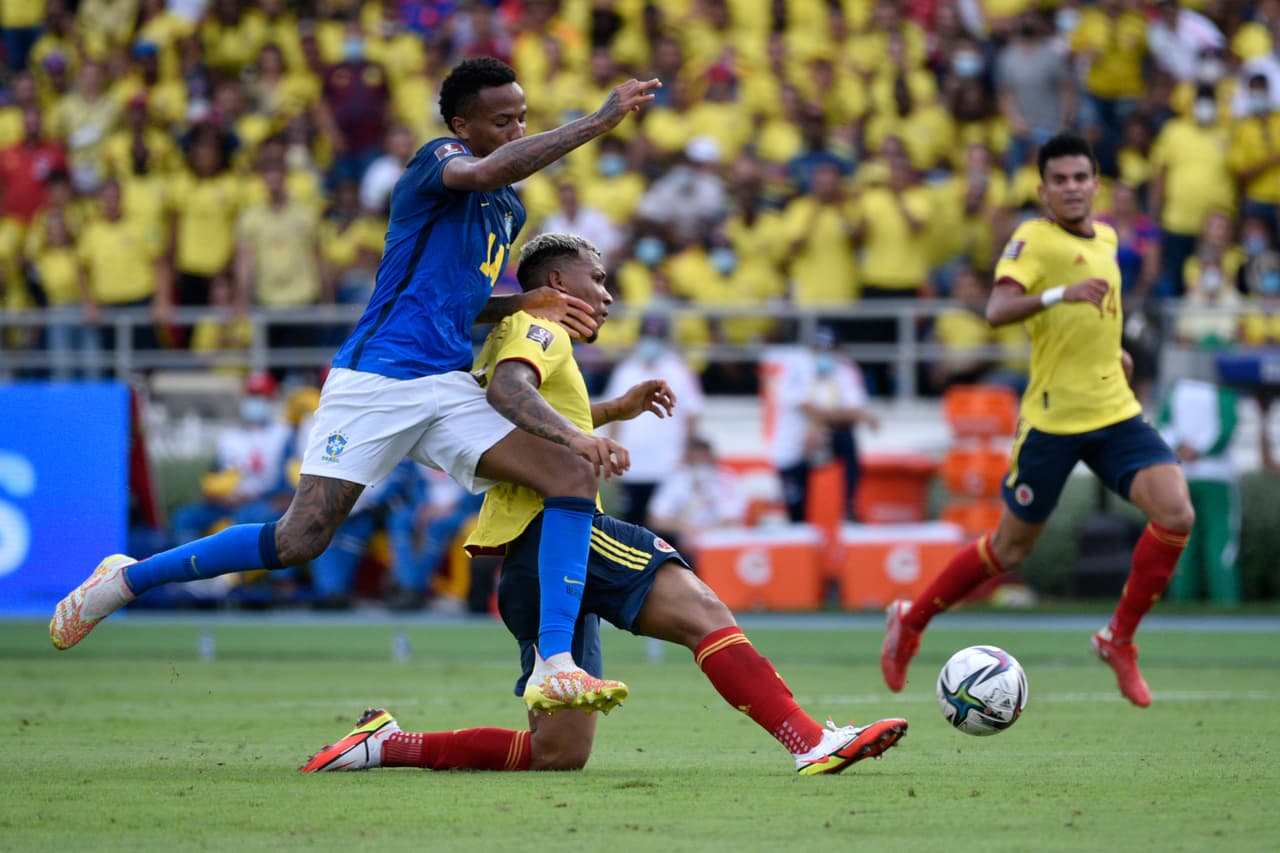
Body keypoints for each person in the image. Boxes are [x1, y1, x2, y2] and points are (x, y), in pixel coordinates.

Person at [50, 57, 662, 715]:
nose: (515, 128)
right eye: (502, 118)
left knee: (570, 473)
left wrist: (523, 302)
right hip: (378, 380)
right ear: (462, 124)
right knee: (299, 538)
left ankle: (555, 664)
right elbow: (486, 169)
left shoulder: (506, 209)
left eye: (522, 116)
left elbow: (458, 299)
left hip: (446, 384)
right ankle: (126, 579)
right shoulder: (439, 161)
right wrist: (599, 122)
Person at [299, 234, 908, 775]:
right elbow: (512, 393)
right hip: (556, 528)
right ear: (558, 283)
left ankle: (384, 746)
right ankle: (809, 742)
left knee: (559, 753)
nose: (609, 295)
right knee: (702, 610)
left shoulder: (516, 334)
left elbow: (519, 407)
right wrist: (580, 439)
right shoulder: (539, 327)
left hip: (527, 557)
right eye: (599, 278)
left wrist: (612, 409)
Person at [880, 134, 1196, 708]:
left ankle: (1118, 638)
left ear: (1096, 183)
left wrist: (1115, 353)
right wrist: (1060, 294)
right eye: (1061, 180)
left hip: (1115, 410)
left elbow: (1098, 314)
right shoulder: (1032, 239)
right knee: (1009, 550)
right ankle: (911, 619)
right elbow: (997, 310)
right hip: (1053, 421)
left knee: (1176, 513)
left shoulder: (1107, 237)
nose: (1072, 188)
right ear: (1042, 189)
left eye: (1081, 177)